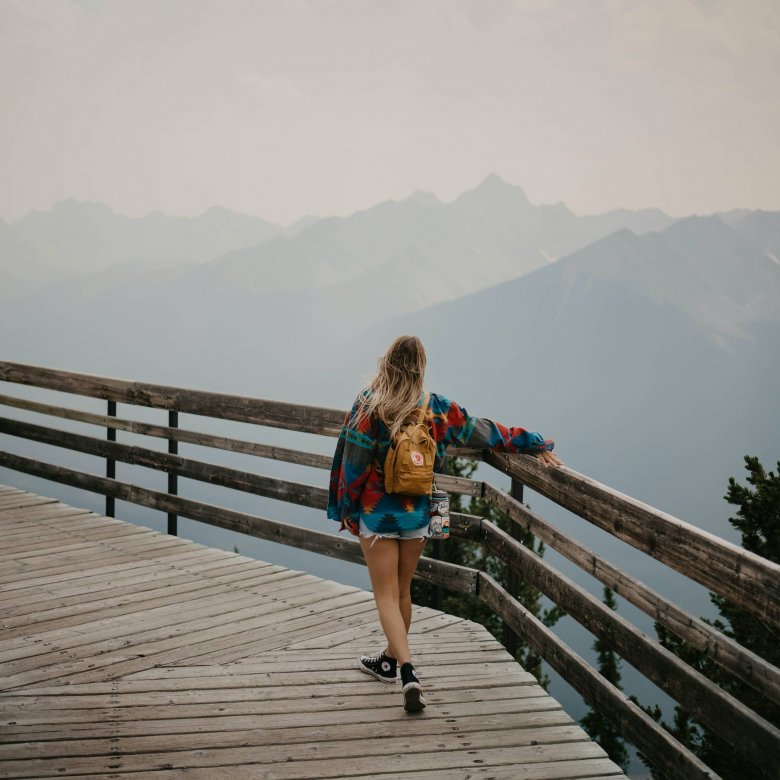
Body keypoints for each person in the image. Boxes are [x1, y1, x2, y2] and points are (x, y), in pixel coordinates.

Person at [326, 335, 562, 713]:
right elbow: (484, 431)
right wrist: (535, 442)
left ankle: (407, 672)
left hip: (377, 511)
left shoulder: (369, 406)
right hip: (420, 511)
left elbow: (353, 465)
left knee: (385, 595)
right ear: (421, 368)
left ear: (386, 363)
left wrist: (346, 510)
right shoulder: (435, 408)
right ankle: (389, 660)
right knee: (402, 591)